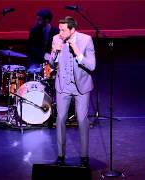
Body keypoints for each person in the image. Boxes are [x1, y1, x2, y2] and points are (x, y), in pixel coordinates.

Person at [49, 16, 96, 167]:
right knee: (60, 119)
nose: (60, 33)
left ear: (72, 29)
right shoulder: (56, 38)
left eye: (63, 30)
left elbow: (92, 66)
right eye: (59, 29)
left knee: (82, 120)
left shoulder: (86, 40)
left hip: (81, 86)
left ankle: (84, 157)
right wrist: (54, 52)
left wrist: (78, 53)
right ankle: (61, 156)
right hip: (63, 86)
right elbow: (51, 63)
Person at [27, 9, 59, 77]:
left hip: (50, 62)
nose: (37, 22)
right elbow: (32, 48)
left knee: (51, 76)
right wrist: (44, 55)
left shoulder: (56, 32)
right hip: (36, 61)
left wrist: (51, 57)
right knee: (32, 74)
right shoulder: (34, 31)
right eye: (37, 19)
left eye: (39, 20)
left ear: (47, 20)